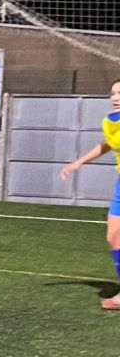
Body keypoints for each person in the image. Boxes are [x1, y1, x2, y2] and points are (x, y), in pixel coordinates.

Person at [58, 77, 120, 311]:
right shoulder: (110, 121)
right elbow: (106, 144)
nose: (115, 98)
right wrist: (78, 162)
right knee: (113, 237)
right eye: (113, 93)